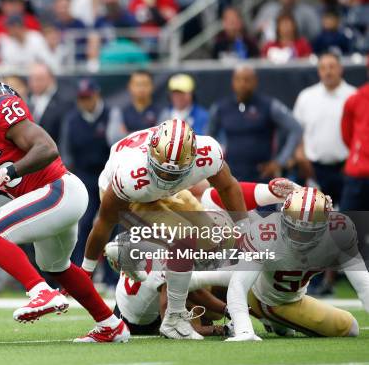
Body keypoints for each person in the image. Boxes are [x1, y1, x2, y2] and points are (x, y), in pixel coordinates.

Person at [0, 58, 129, 343]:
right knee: (57, 266)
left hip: (58, 189)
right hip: (45, 202)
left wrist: (6, 171)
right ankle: (110, 325)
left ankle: (40, 292)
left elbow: (47, 148)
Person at [82, 118, 249, 340]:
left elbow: (228, 186)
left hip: (165, 193)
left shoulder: (207, 152)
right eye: (162, 171)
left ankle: (191, 312)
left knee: (214, 242)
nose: (166, 178)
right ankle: (171, 311)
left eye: (174, 174)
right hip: (134, 195)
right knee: (183, 239)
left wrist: (244, 229)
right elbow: (104, 222)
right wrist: (85, 270)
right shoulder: (130, 175)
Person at [106, 179, 300, 336]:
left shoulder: (176, 227)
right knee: (207, 283)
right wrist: (226, 314)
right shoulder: (181, 242)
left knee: (219, 274)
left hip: (129, 302)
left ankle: (256, 315)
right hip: (141, 320)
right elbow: (179, 298)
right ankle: (246, 318)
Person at [226, 187, 369, 341]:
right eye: (292, 228)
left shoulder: (339, 232)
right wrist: (244, 330)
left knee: (349, 327)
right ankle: (261, 314)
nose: (298, 237)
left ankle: (276, 322)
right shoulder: (267, 232)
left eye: (307, 233)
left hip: (288, 295)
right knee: (348, 326)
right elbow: (239, 283)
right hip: (269, 299)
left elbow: (363, 284)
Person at [210, 64, 303, 183]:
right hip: (230, 175)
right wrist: (214, 164)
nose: (242, 84)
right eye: (238, 80)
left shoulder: (269, 105)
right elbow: (208, 137)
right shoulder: (220, 108)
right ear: (233, 82)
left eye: (247, 80)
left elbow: (296, 129)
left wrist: (280, 161)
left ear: (255, 82)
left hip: (262, 176)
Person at [60, 78, 112, 265]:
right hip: (83, 177)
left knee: (110, 223)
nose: (84, 101)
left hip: (108, 176)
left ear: (96, 95)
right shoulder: (72, 119)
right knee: (82, 224)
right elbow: (66, 151)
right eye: (81, 97)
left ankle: (111, 275)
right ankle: (78, 267)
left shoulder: (110, 114)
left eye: (88, 97)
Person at [293, 53, 356, 205]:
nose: (328, 72)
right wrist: (300, 154)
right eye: (323, 68)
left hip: (346, 168)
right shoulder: (306, 97)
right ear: (318, 71)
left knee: (348, 220)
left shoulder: (353, 96)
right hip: (313, 169)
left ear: (341, 69)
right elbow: (296, 129)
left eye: (332, 67)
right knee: (314, 220)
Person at [107, 70, 162, 145]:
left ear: (152, 86)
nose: (141, 88)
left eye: (145, 84)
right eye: (138, 84)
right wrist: (151, 134)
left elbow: (163, 140)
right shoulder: (119, 112)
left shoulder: (162, 112)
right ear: (129, 86)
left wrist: (127, 134)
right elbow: (113, 139)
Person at [254, 0, 320, 44]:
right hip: (270, 51)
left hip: (297, 52)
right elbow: (254, 32)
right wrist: (260, 30)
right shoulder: (268, 9)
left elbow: (316, 35)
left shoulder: (306, 12)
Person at [340, 76, 369, 210]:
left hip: (357, 173)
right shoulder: (355, 99)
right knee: (347, 226)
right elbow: (347, 134)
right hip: (357, 174)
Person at [27, 63, 74, 144]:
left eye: (39, 79)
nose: (34, 83)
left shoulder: (63, 102)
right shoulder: (27, 98)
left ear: (51, 79)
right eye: (32, 79)